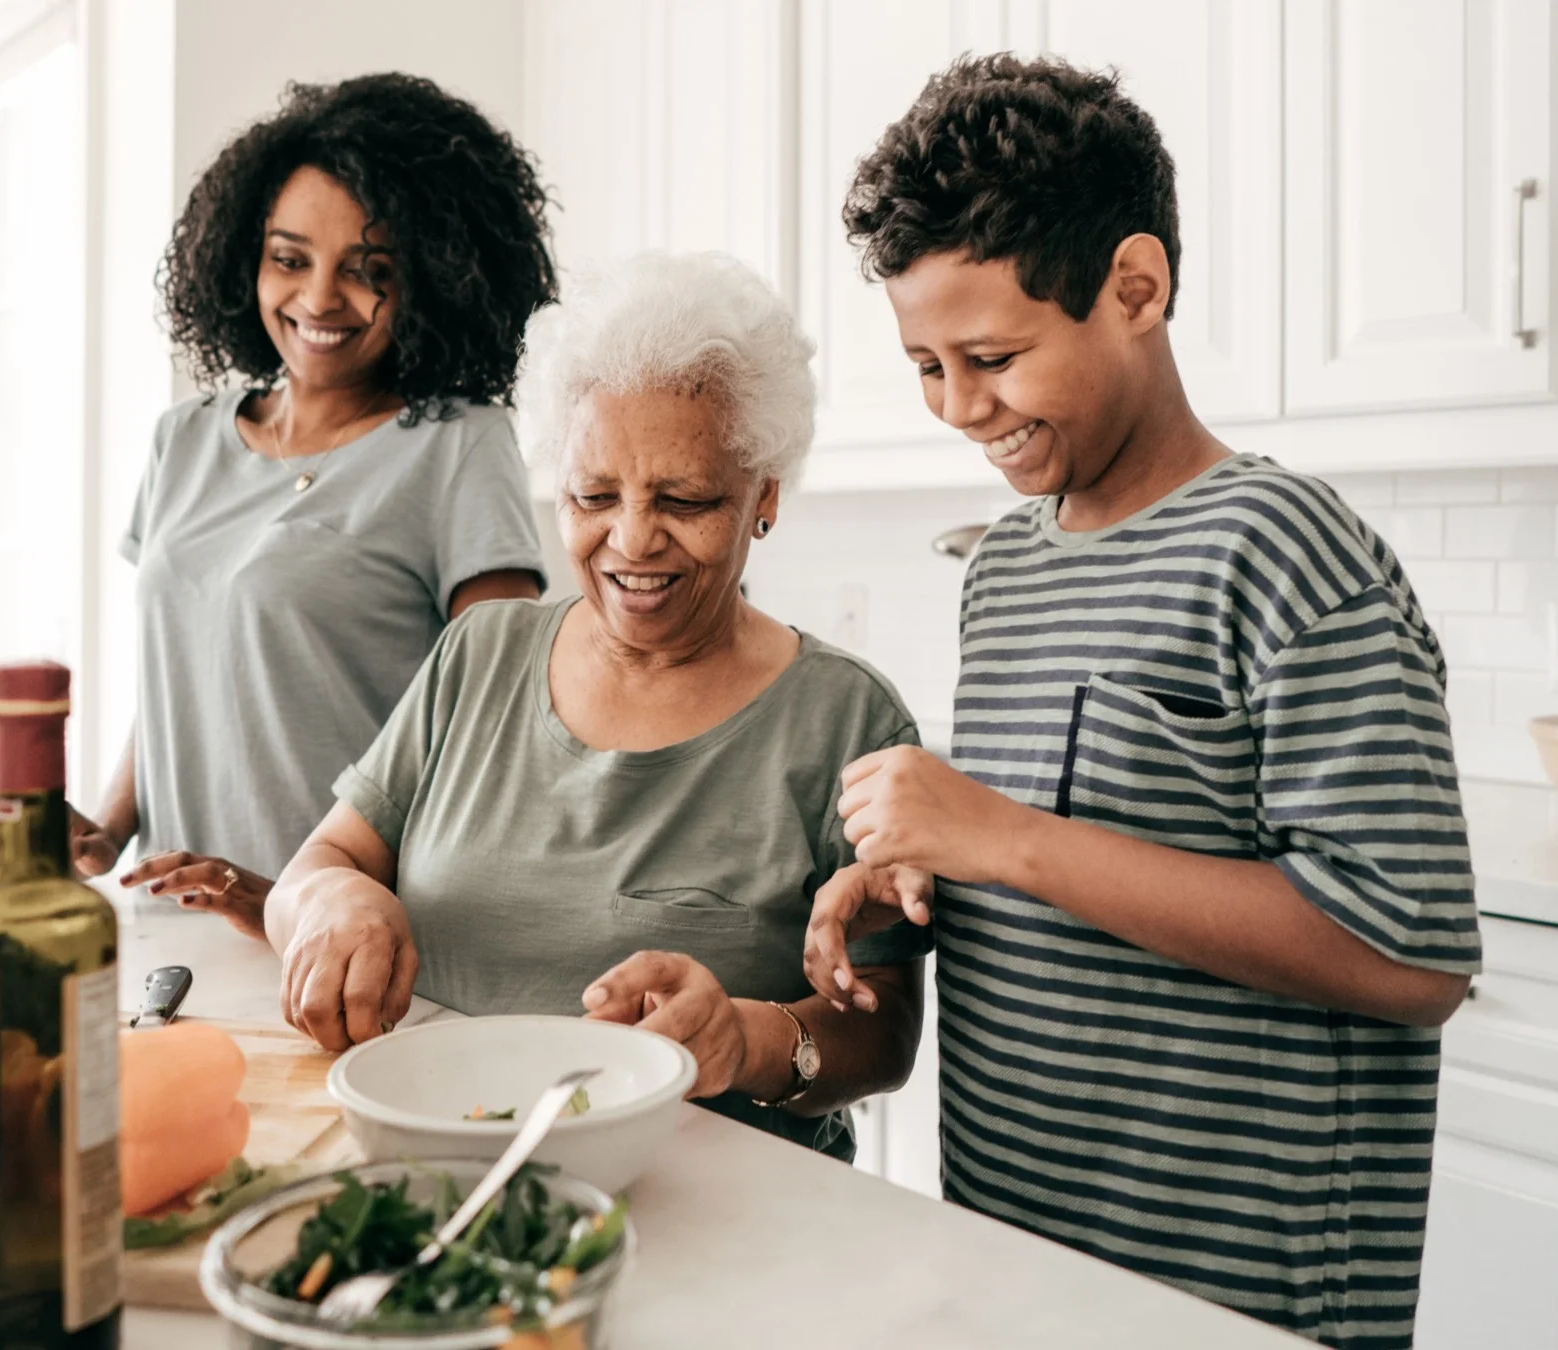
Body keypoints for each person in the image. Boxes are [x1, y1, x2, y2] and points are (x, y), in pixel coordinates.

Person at [806, 55, 1481, 1348]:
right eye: (926, 365)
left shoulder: (1281, 550)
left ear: (1136, 288)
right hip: (1018, 1253)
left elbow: (1410, 954)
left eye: (993, 355)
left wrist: (999, 837)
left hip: (1232, 1293)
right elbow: (1081, 852)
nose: (960, 408)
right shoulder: (1001, 564)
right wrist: (922, 872)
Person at [265, 253, 929, 1159]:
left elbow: (884, 1037)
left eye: (685, 499)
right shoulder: (479, 654)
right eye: (593, 495)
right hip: (446, 1176)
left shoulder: (845, 720)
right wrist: (334, 903)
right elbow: (323, 860)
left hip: (722, 1215)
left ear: (762, 496)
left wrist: (748, 1038)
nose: (630, 540)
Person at [75, 75, 554, 922]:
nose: (320, 299)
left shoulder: (459, 446)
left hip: (346, 939)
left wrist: (304, 897)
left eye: (368, 270)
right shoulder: (181, 439)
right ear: (244, 258)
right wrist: (107, 832)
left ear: (437, 276)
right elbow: (185, 671)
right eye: (289, 259)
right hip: (171, 926)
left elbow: (495, 730)